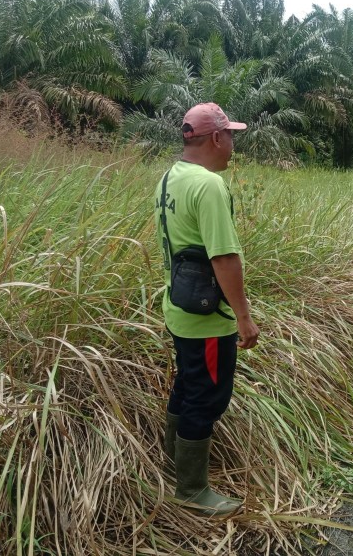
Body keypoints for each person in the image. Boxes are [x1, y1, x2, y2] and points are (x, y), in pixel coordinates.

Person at [154, 102, 260, 516]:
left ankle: (173, 463)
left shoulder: (170, 177)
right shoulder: (210, 186)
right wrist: (244, 317)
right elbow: (224, 257)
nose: (233, 143)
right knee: (207, 397)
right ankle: (192, 489)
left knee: (187, 385)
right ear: (216, 137)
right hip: (206, 317)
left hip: (178, 307)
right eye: (231, 135)